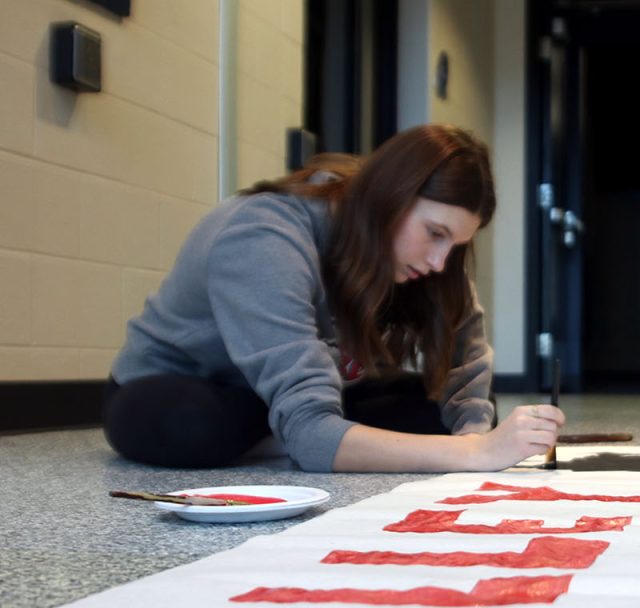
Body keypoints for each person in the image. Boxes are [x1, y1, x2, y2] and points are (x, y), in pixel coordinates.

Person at [103, 124, 563, 472]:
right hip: (191, 389)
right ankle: (299, 434)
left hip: (302, 390)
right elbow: (312, 428)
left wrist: (473, 431)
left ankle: (304, 434)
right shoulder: (263, 235)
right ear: (390, 198)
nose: (441, 261)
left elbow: (466, 372)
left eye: (456, 245)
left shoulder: (423, 260)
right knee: (195, 424)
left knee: (433, 410)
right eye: (435, 234)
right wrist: (477, 454)